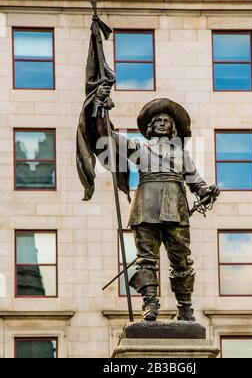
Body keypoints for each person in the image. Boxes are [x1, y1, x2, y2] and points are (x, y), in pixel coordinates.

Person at [77, 81, 220, 322]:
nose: (163, 123)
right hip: (145, 207)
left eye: (167, 121)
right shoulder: (139, 148)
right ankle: (150, 304)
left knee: (181, 258)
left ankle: (185, 307)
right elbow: (107, 137)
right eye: (158, 121)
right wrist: (99, 104)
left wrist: (207, 191)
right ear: (151, 128)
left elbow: (196, 183)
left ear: (173, 129)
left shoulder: (182, 154)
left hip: (176, 207)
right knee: (146, 258)